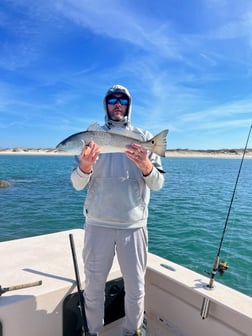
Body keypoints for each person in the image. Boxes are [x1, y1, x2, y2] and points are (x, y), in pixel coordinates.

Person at [70, 85, 165, 336]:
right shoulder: (90, 139)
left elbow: (158, 184)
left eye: (122, 99)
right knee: (93, 288)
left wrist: (146, 165)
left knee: (135, 288)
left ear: (129, 104)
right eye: (112, 99)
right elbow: (77, 184)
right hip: (97, 224)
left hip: (133, 226)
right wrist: (85, 167)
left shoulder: (143, 136)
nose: (117, 103)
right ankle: (92, 331)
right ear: (106, 105)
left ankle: (132, 330)